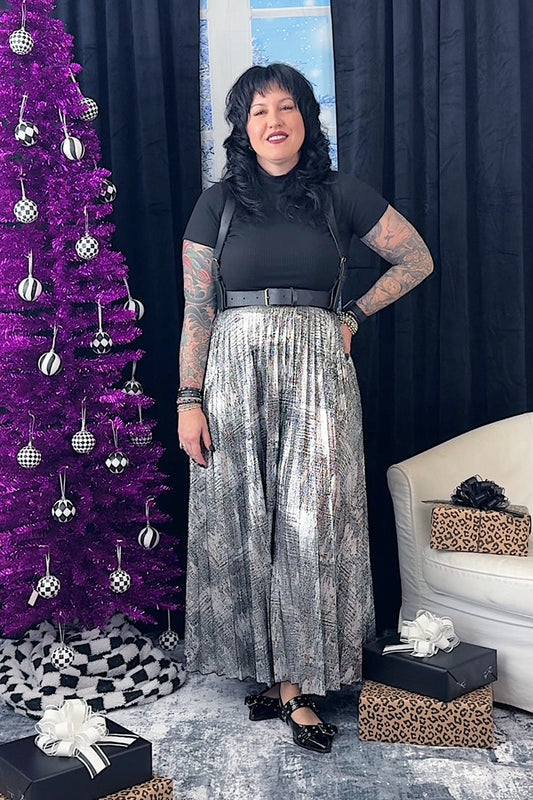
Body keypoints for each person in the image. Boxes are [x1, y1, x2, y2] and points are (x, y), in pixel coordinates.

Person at [178, 63, 433, 753]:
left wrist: (351, 313)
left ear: (306, 119)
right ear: (243, 125)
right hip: (233, 374)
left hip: (319, 371)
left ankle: (296, 686)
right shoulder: (216, 203)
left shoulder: (339, 195)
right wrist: (188, 400)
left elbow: (414, 260)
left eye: (285, 107)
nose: (272, 120)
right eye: (258, 110)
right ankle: (267, 672)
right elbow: (197, 310)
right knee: (244, 523)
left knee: (310, 523)